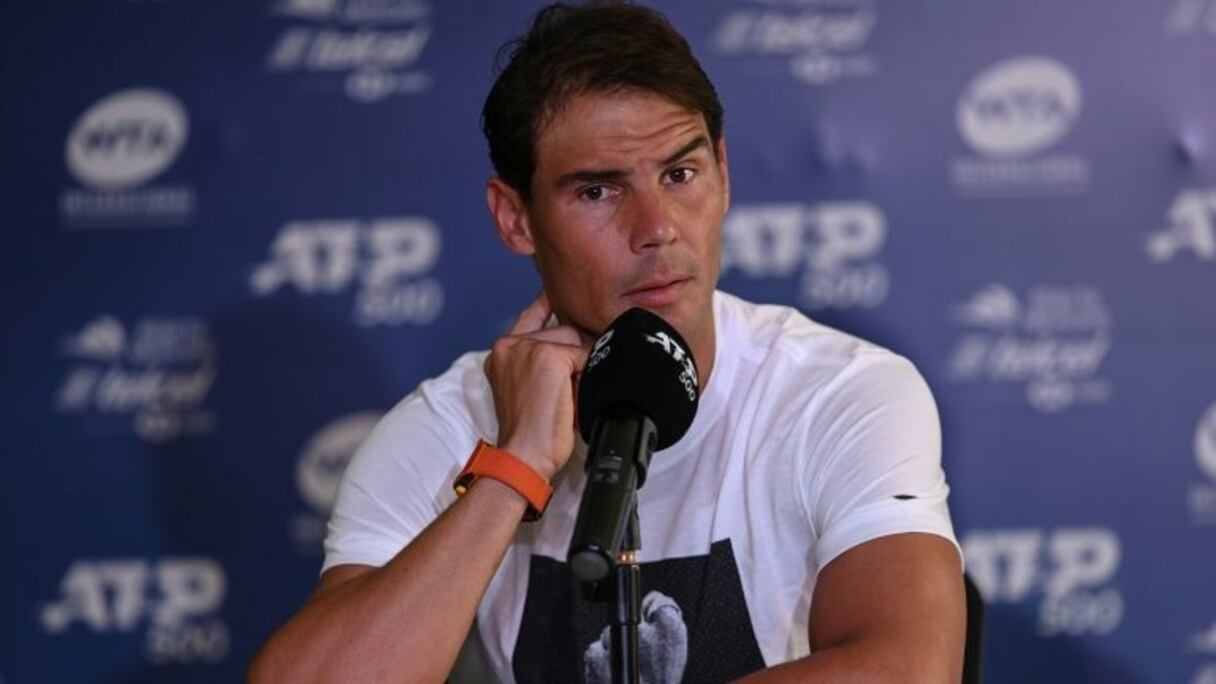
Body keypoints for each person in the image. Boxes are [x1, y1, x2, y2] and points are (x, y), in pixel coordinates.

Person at [249, 2, 965, 682]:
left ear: (723, 175)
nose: (657, 226)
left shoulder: (837, 391)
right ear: (516, 218)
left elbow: (906, 668)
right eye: (598, 191)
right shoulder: (449, 427)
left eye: (680, 174)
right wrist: (513, 467)